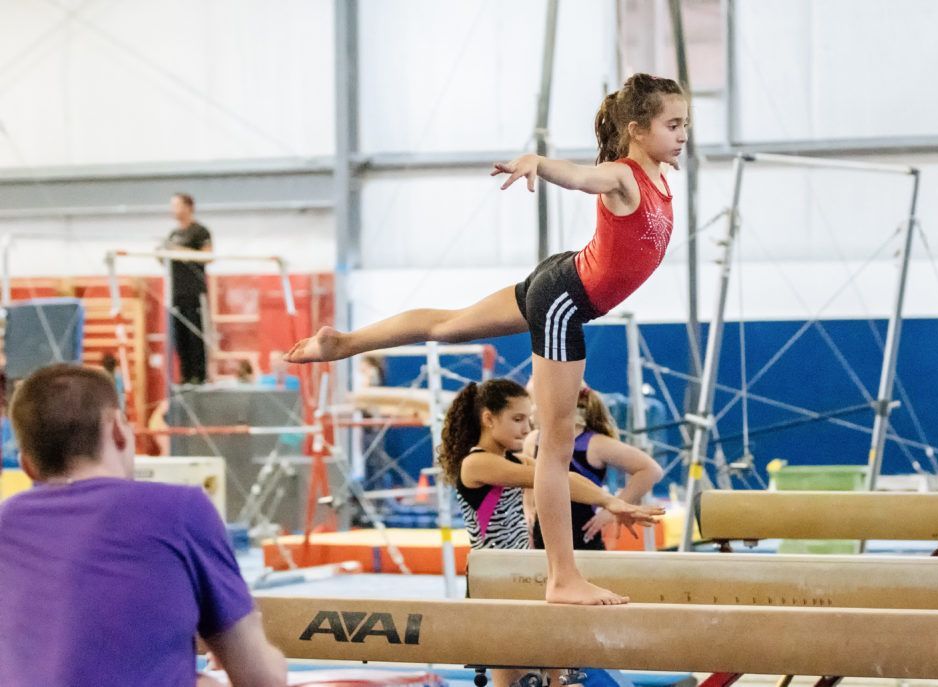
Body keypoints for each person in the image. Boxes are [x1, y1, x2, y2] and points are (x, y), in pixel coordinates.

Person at [285, 73, 686, 605]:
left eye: (685, 125)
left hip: (563, 277)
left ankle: (346, 343)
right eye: (673, 125)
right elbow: (582, 177)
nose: (683, 135)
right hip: (567, 299)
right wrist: (540, 164)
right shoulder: (623, 174)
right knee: (555, 443)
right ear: (636, 130)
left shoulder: (655, 169)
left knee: (447, 326)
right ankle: (563, 578)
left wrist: (661, 155)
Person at [0, 364, 286, 686]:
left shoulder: (5, 520)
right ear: (119, 429)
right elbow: (262, 679)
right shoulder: (180, 510)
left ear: (26, 465)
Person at [439, 378, 661, 687]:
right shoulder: (476, 463)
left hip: (524, 574)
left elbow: (563, 477)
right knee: (514, 679)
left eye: (528, 419)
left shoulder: (515, 458)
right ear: (488, 419)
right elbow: (556, 480)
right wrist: (611, 502)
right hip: (493, 581)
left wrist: (613, 503)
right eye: (517, 419)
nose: (526, 428)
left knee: (557, 672)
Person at [524, 385, 663, 550]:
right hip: (542, 534)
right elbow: (529, 480)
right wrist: (528, 509)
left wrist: (612, 510)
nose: (532, 412)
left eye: (537, 404)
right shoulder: (534, 439)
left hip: (583, 535)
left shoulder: (594, 444)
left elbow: (651, 470)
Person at [166, 192, 213, 385]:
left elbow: (208, 256)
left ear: (188, 207)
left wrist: (180, 252)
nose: (173, 210)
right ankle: (185, 375)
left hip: (194, 292)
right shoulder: (173, 235)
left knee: (195, 335)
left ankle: (199, 376)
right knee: (180, 336)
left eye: (176, 205)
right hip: (176, 293)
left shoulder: (200, 231)